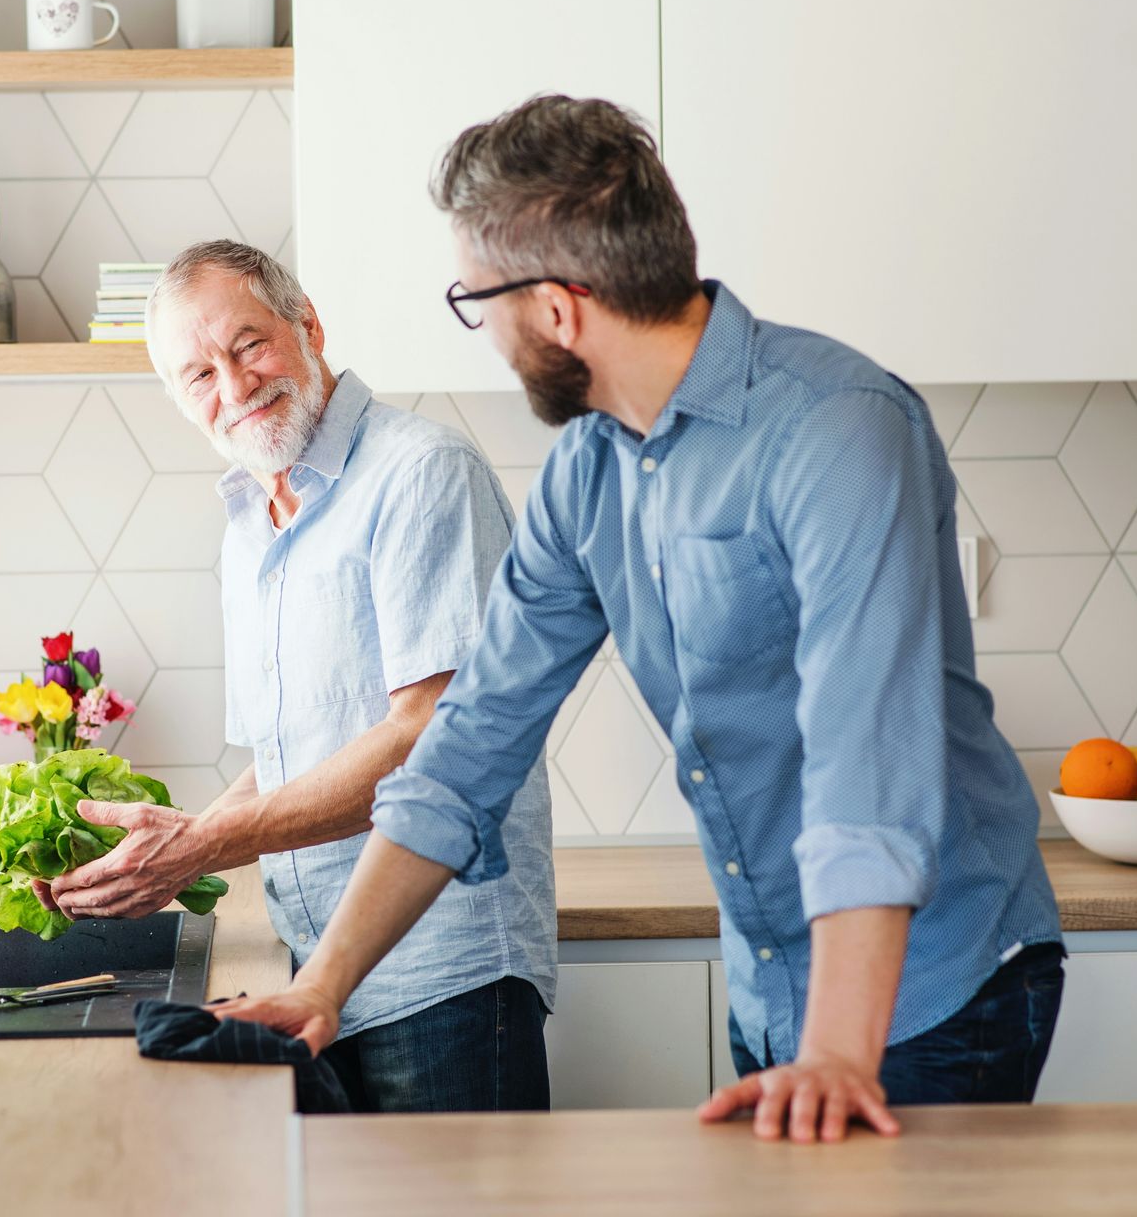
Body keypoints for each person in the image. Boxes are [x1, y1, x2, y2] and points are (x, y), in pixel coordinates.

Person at [214, 96, 1066, 1144]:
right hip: (774, 982)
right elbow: (470, 740)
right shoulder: (591, 468)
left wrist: (839, 1048)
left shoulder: (837, 431)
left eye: (477, 303)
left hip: (932, 986)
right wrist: (326, 985)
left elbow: (867, 767)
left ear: (559, 309)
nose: (486, 334)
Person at [42, 239, 557, 1113]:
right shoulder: (249, 524)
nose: (235, 386)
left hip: (438, 973)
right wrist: (177, 845)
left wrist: (203, 845)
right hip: (314, 977)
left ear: (308, 326)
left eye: (248, 346)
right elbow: (290, 754)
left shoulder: (421, 473)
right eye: (198, 374)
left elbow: (431, 738)